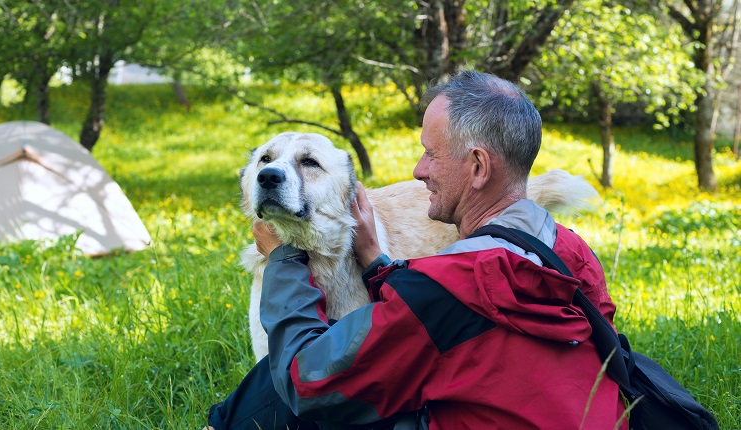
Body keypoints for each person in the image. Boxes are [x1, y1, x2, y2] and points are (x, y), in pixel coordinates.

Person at [207, 70, 627, 429]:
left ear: (478, 168)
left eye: (430, 154)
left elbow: (310, 383)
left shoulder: (448, 286)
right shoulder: (571, 250)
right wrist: (376, 262)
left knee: (275, 384)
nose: (417, 171)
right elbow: (442, 322)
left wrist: (283, 260)